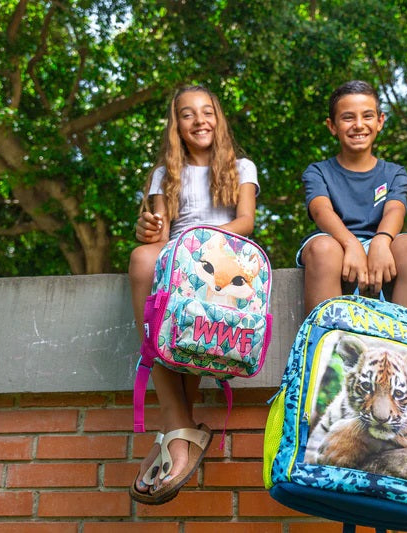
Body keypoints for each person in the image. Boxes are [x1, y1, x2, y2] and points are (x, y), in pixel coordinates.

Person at [128, 85, 258, 504]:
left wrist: (199, 243)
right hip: (176, 254)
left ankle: (174, 430)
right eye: (188, 114)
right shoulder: (164, 174)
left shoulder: (241, 167)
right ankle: (179, 424)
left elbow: (246, 222)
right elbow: (159, 233)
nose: (200, 120)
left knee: (192, 286)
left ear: (218, 119)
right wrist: (147, 230)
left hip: (222, 255)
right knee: (142, 259)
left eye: (207, 112)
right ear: (177, 125)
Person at [297, 80, 407, 317]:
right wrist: (351, 244)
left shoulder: (394, 173)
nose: (358, 125)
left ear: (380, 121)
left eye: (367, 116)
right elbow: (321, 211)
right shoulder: (318, 171)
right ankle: (326, 337)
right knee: (324, 249)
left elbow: (395, 210)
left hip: (382, 239)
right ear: (332, 126)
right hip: (336, 240)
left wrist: (381, 241)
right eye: (348, 117)